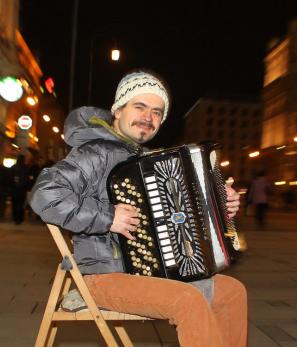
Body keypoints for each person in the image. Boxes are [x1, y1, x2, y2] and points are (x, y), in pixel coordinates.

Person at [30, 70, 247, 346]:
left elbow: (181, 216)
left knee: (232, 292)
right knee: (187, 300)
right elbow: (44, 194)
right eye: (140, 106)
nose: (148, 116)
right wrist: (108, 217)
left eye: (157, 112)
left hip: (150, 272)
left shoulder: (146, 159)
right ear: (117, 111)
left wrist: (221, 202)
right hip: (104, 277)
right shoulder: (95, 152)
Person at [9, 154, 30, 224]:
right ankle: (21, 219)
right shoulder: (26, 167)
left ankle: (15, 219)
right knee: (21, 204)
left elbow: (9, 178)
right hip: (23, 189)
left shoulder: (13, 167)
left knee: (15, 204)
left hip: (14, 189)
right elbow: (28, 179)